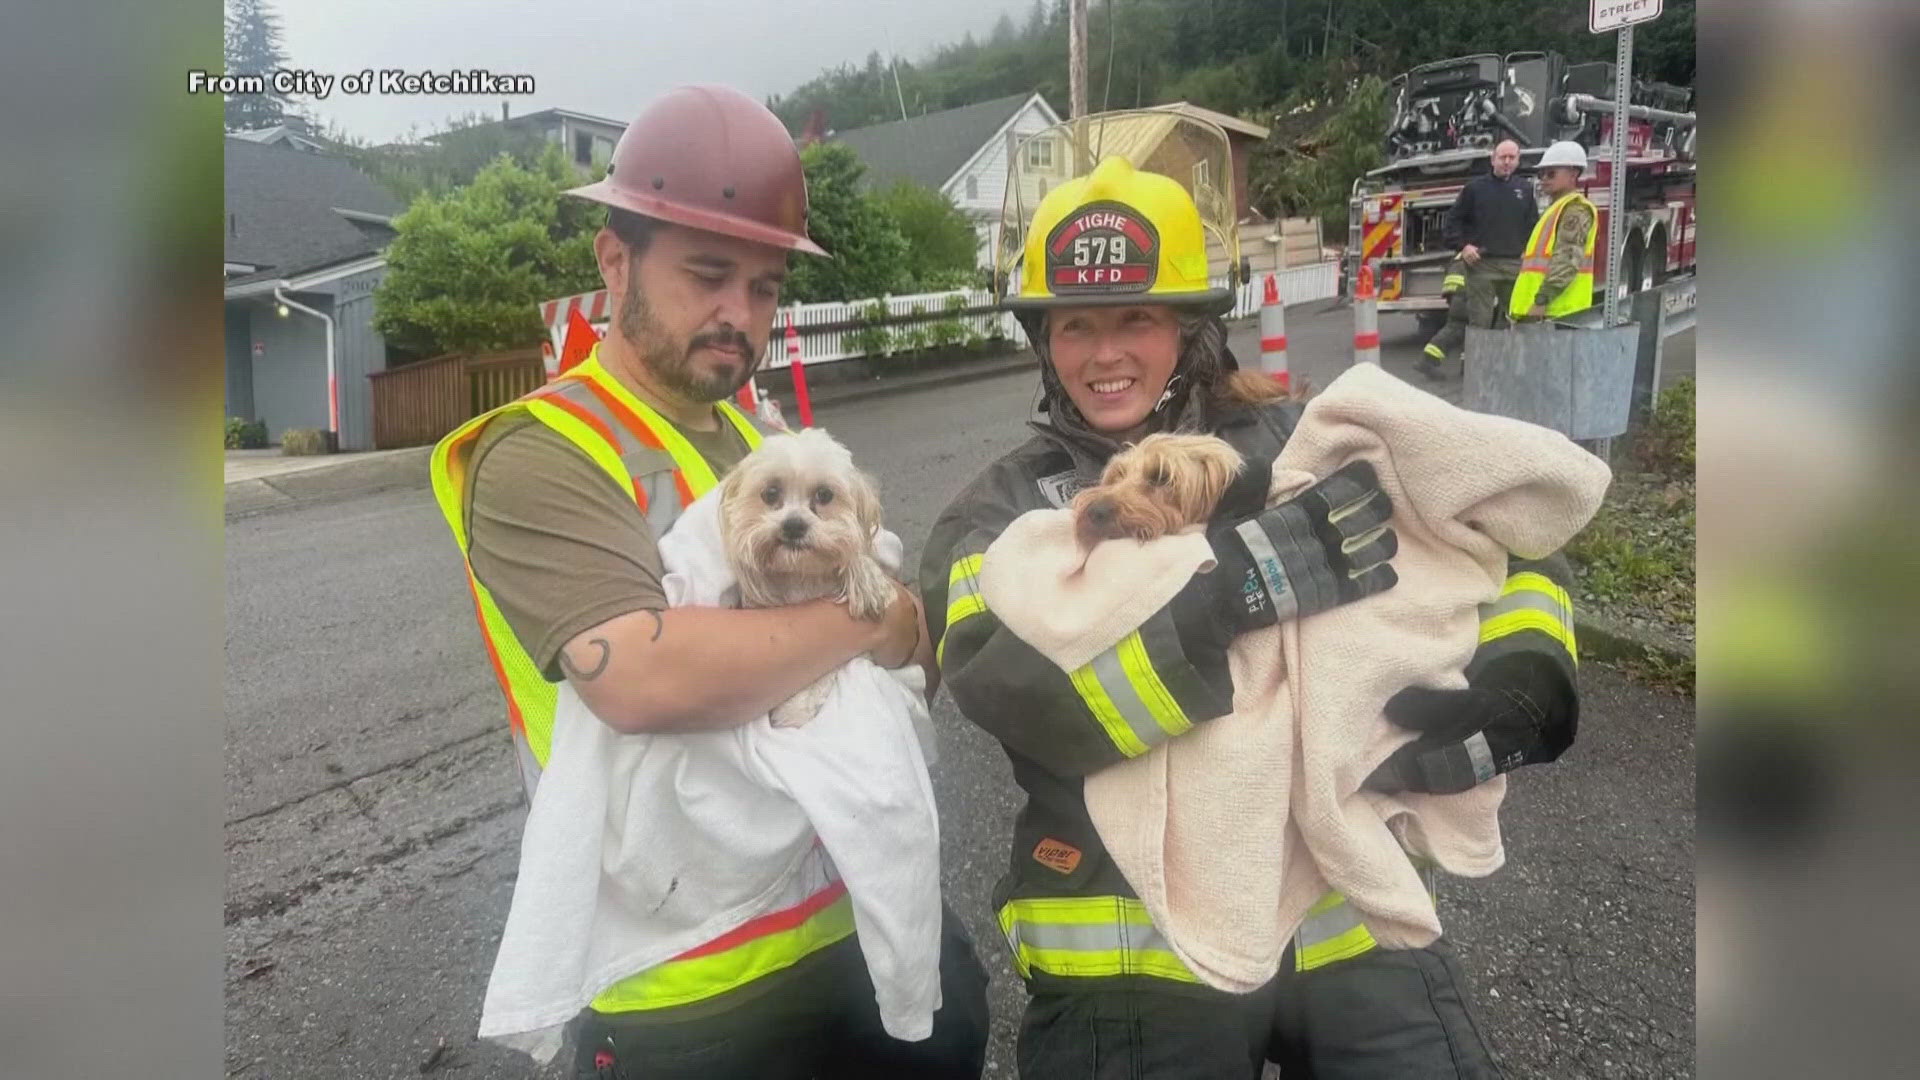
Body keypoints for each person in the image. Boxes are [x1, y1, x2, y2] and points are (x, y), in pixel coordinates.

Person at [920, 144, 1583, 1078]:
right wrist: (1222, 598)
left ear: (1193, 327)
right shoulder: (1002, 515)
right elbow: (1016, 696)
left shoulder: (1304, 443)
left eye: (1137, 319)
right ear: (1043, 341)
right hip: (1134, 953)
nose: (1104, 354)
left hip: (1345, 920)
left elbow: (1480, 544)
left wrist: (1529, 668)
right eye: (1074, 326)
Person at [428, 84, 988, 1079]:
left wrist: (893, 622)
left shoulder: (754, 444)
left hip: (854, 912)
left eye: (765, 287)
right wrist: (867, 618)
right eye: (707, 274)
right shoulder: (538, 454)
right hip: (692, 983)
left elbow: (920, 649)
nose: (739, 313)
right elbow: (646, 679)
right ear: (614, 260)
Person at [1418, 139, 1537, 379]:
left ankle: (1507, 367)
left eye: (1512, 157)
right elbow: (1452, 221)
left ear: (1518, 160)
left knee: (1515, 318)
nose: (1506, 162)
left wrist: (1528, 250)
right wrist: (1464, 246)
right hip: (1481, 266)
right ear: (1492, 159)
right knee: (1479, 323)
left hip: (1514, 265)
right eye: (1502, 157)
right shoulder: (1475, 189)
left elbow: (1532, 225)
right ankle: (1474, 372)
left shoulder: (1525, 190)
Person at [1509, 140, 1598, 324]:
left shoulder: (1576, 209)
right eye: (1541, 174)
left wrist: (1541, 300)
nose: (1544, 179)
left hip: (1556, 313)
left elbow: (1566, 260)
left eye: (1551, 173)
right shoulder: (1556, 208)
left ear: (1573, 174)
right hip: (1543, 312)